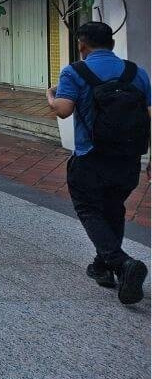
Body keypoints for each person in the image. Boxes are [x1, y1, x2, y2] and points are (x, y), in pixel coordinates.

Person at [47, 21, 150, 305]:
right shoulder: (136, 73)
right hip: (128, 160)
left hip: (91, 157)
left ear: (82, 45)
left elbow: (64, 111)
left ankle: (121, 262)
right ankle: (103, 266)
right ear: (112, 44)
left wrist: (51, 96)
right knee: (114, 207)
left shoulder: (74, 71)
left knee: (89, 208)